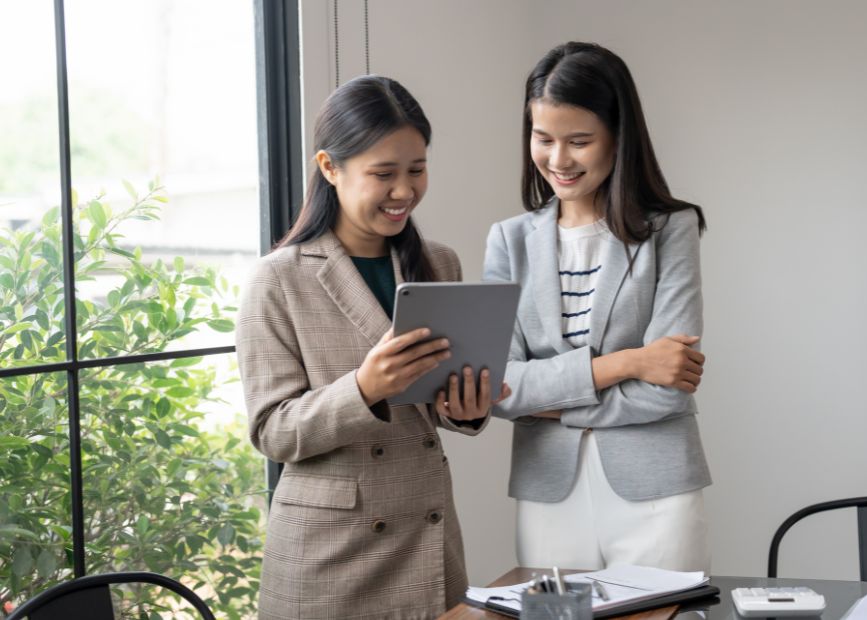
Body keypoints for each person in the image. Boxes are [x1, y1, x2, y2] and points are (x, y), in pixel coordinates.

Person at [236, 75, 507, 619]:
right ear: (330, 167)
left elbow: (435, 407)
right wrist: (364, 389)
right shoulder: (278, 279)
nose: (404, 191)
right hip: (330, 555)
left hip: (428, 535)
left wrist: (468, 408)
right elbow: (272, 430)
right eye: (383, 174)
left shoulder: (439, 263)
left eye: (417, 170)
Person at [483, 42, 711, 572]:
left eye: (579, 141)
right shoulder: (509, 241)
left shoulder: (670, 231)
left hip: (657, 493)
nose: (558, 160)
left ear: (618, 138)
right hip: (548, 493)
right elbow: (498, 387)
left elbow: (666, 390)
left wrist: (543, 398)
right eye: (543, 139)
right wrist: (629, 363)